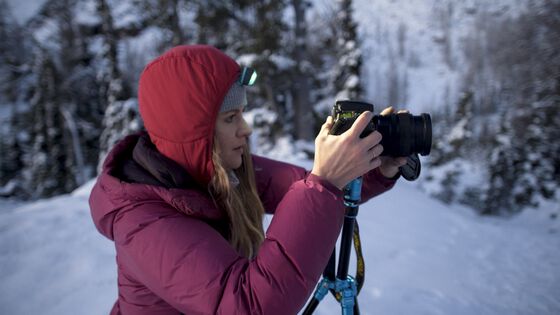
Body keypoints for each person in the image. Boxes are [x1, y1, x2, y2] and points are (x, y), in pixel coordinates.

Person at [89, 45, 406, 315]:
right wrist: (324, 183)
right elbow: (248, 304)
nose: (246, 128)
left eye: (242, 113)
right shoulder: (142, 222)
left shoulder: (223, 172)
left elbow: (312, 188)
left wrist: (375, 167)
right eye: (230, 118)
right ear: (194, 135)